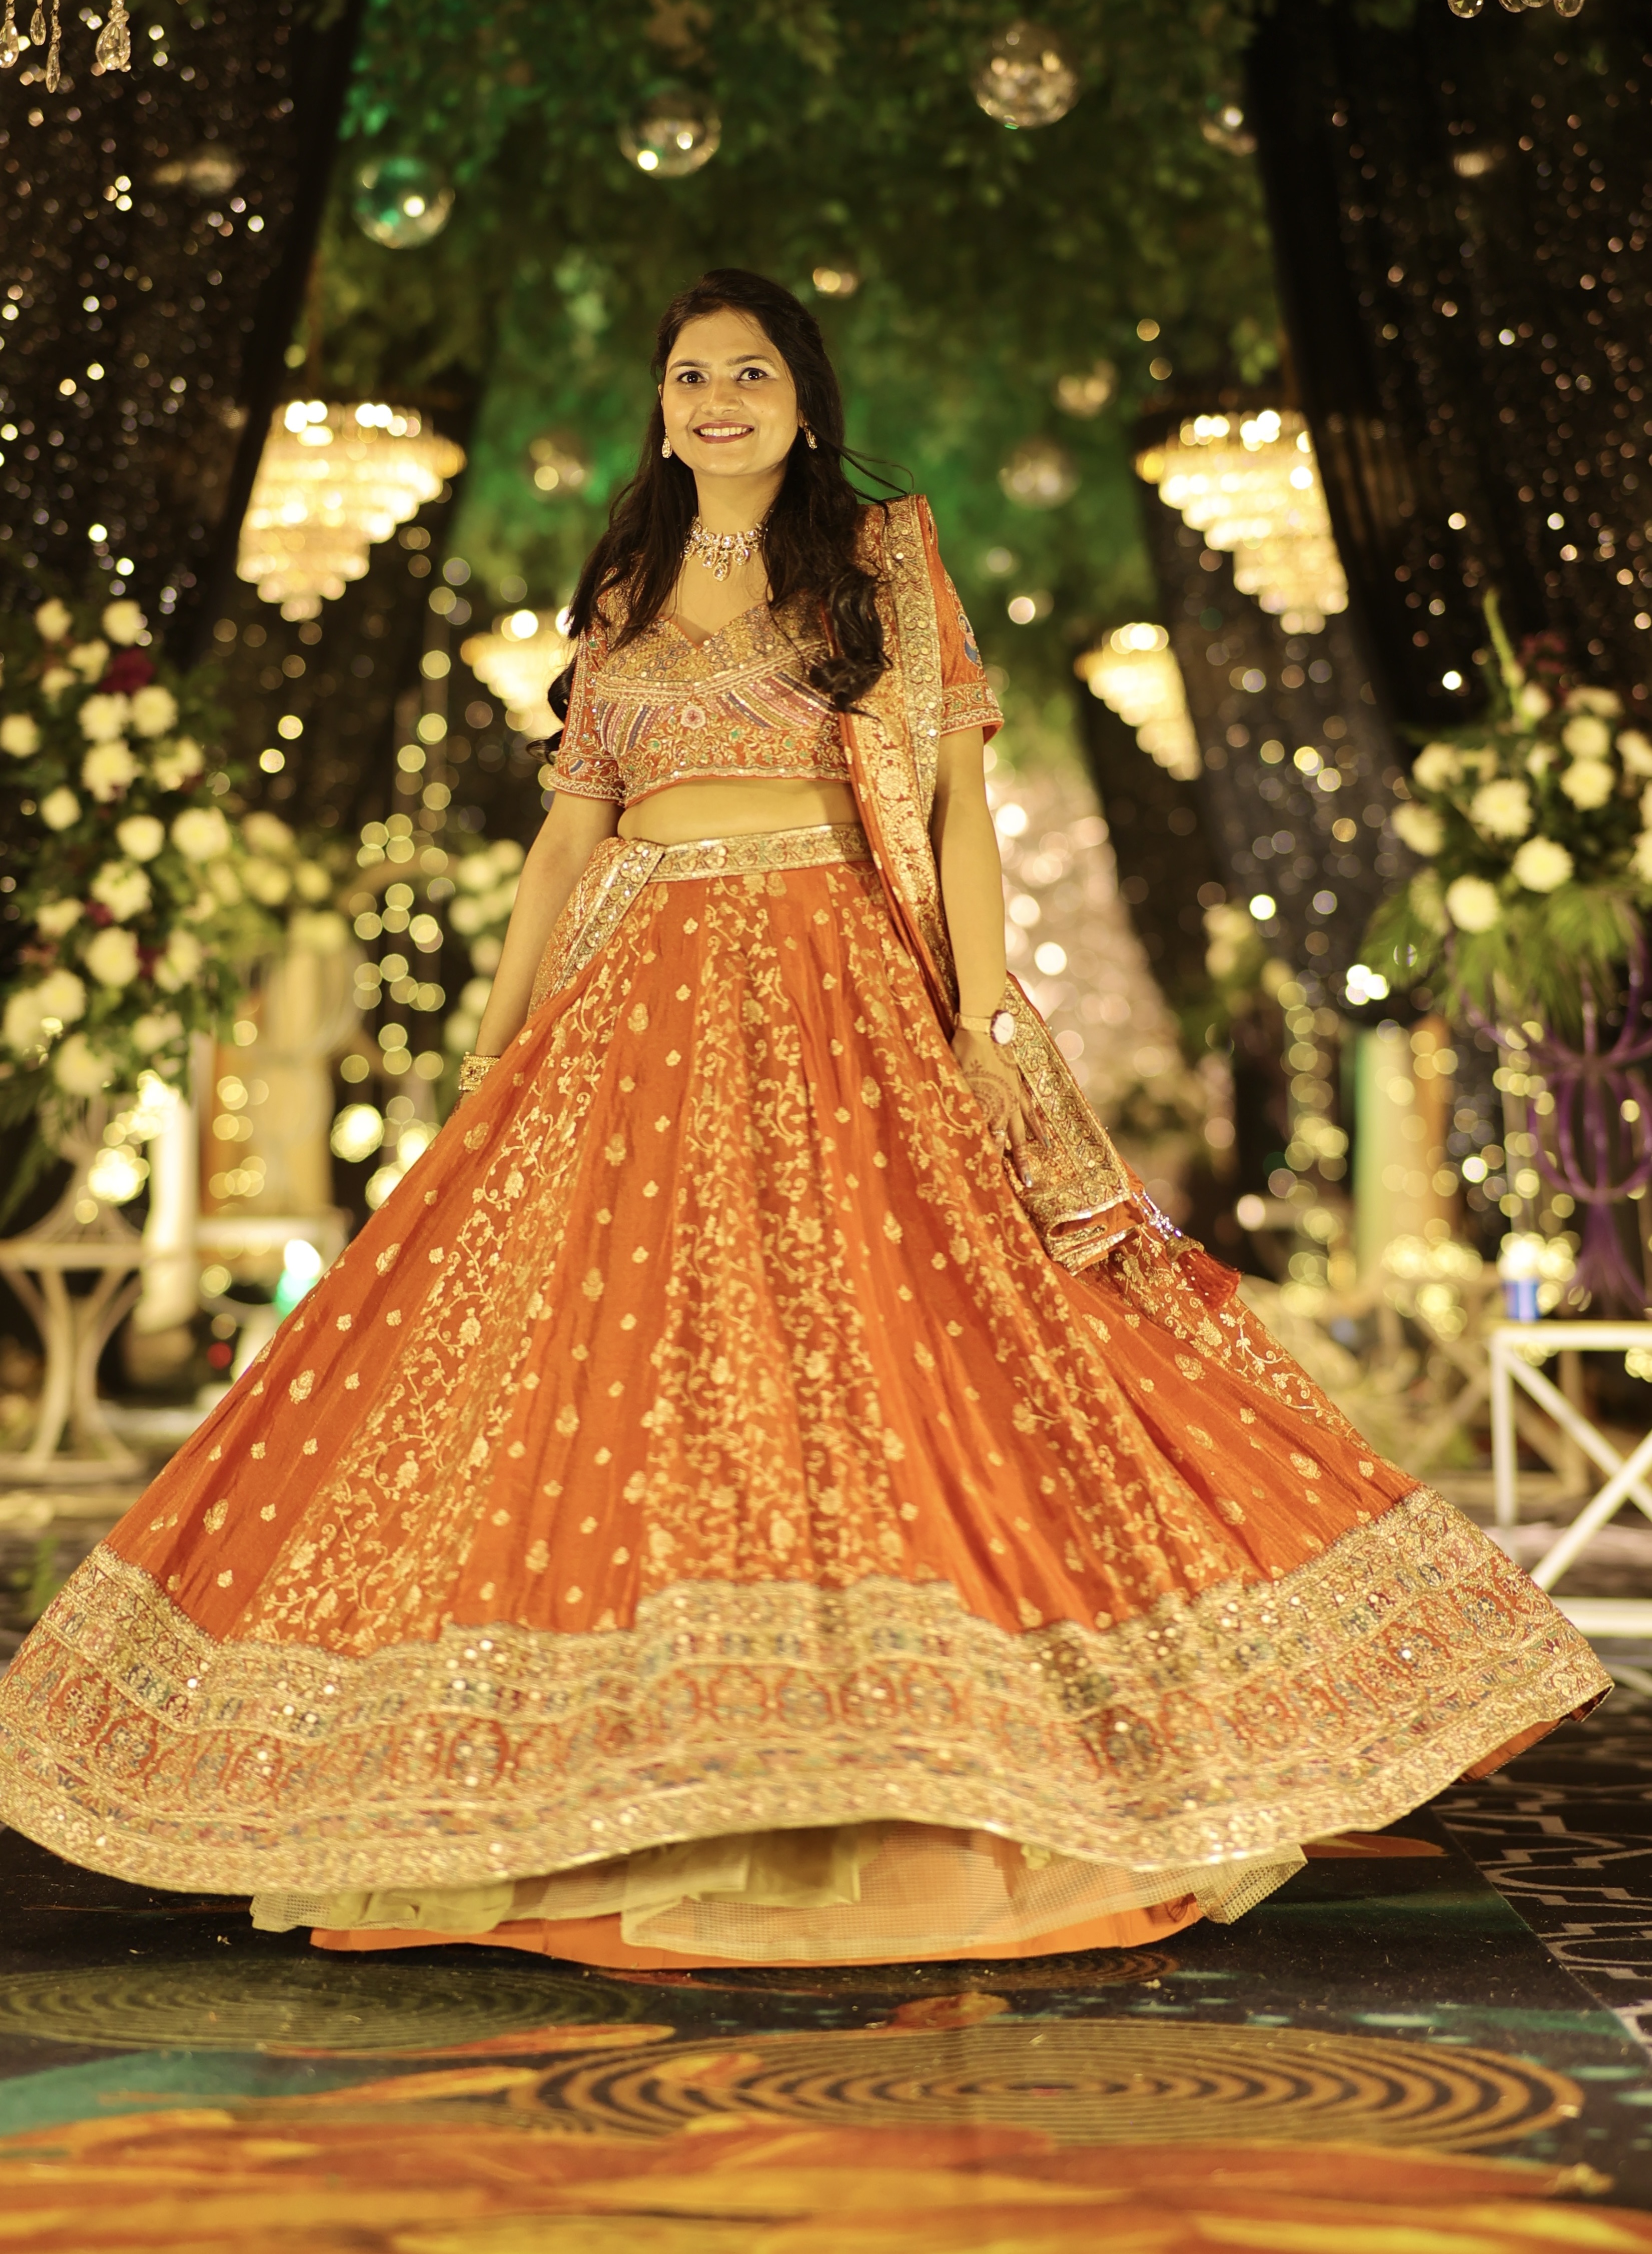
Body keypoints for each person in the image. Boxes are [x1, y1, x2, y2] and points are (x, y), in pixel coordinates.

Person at [0, 269, 1605, 1970]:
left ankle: (936, 1760)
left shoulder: (886, 564)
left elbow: (957, 811)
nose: (716, 400)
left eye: (749, 372)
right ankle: (596, 1780)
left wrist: (984, 1006)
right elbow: (567, 839)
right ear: (664, 404)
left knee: (895, 1346)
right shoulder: (617, 589)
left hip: (841, 977)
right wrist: (493, 1048)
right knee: (608, 1364)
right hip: (634, 1003)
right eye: (690, 375)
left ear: (804, 397)